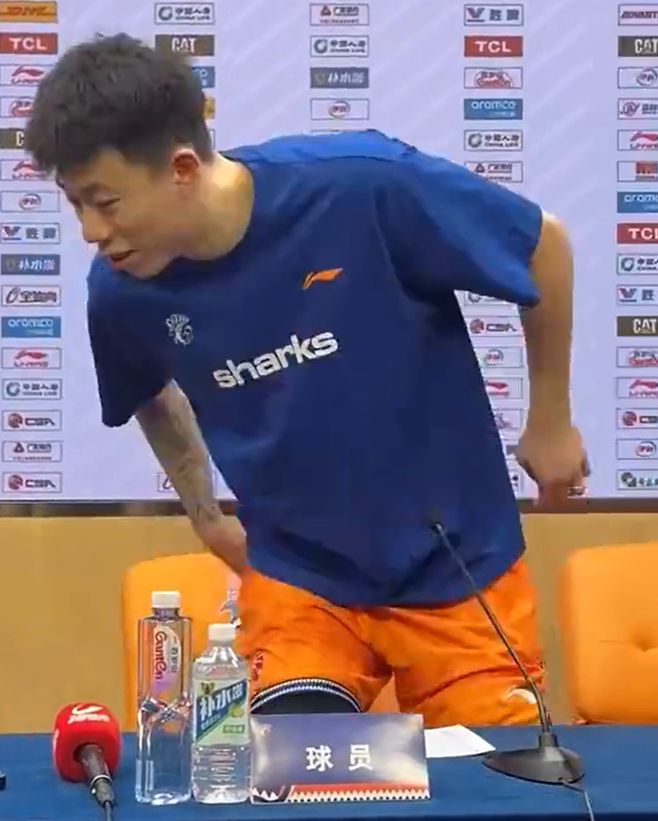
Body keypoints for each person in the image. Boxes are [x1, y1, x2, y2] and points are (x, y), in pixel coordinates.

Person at [25, 34, 588, 727]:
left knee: (492, 774)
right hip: (304, 579)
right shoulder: (121, 290)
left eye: (106, 202)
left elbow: (542, 246)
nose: (90, 230)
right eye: (75, 204)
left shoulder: (362, 188)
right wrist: (205, 514)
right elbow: (147, 392)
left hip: (458, 564)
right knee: (289, 765)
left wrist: (551, 420)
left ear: (180, 168)